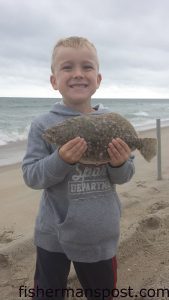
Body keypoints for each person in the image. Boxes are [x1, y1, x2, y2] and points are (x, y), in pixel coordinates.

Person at [22, 36, 135, 300]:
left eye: (87, 67)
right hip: (53, 235)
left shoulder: (113, 122)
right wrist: (61, 159)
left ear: (98, 78)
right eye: (67, 67)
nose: (78, 75)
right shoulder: (43, 125)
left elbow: (126, 174)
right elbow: (31, 175)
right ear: (54, 81)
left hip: (100, 233)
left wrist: (119, 163)